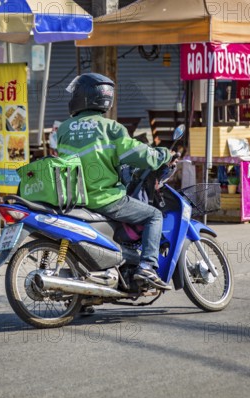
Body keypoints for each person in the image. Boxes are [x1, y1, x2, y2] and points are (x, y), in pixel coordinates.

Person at [57, 73, 173, 290]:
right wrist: (164, 154)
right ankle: (147, 267)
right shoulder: (112, 128)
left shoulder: (63, 129)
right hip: (105, 198)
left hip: (73, 199)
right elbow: (143, 156)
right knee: (154, 215)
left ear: (82, 96)